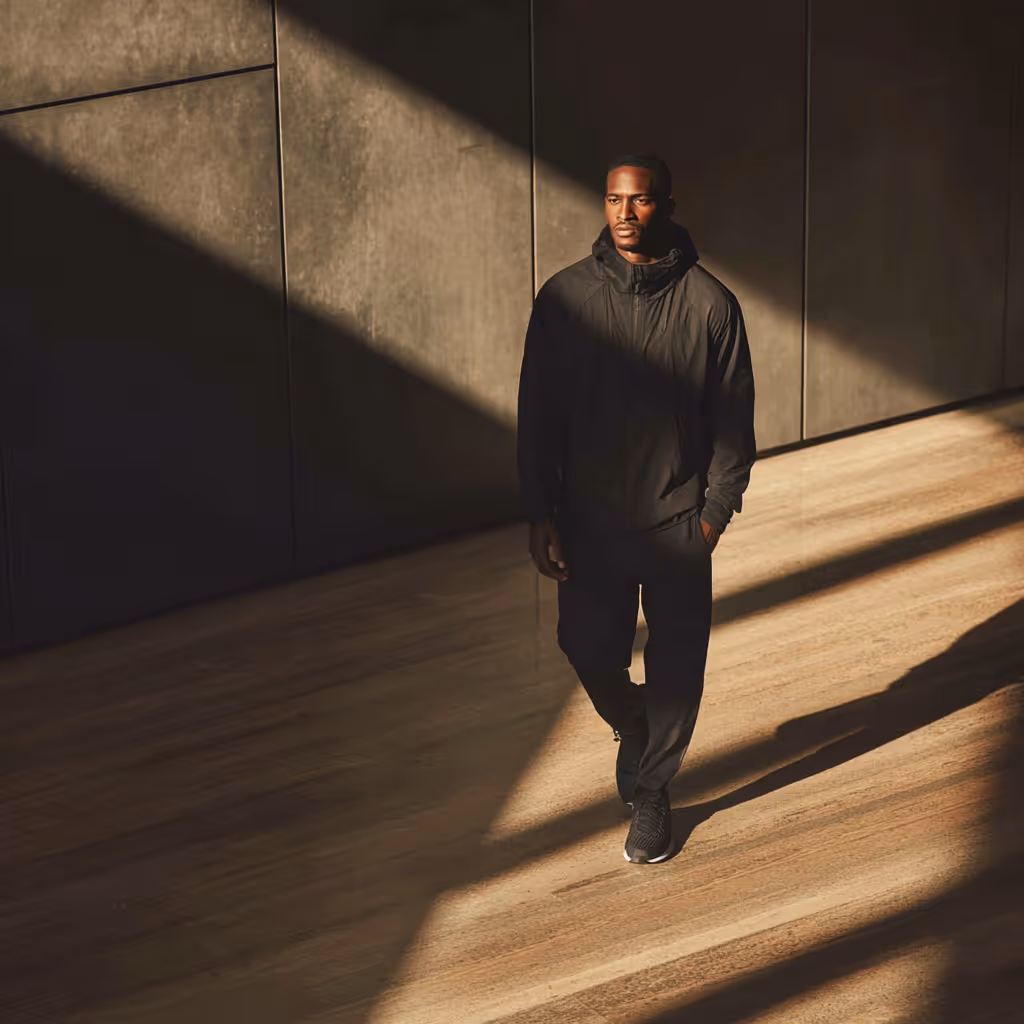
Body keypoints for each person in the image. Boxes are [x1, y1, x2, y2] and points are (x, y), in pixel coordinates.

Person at [516, 152, 756, 864]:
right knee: (586, 647)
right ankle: (636, 723)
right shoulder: (564, 300)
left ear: (667, 206)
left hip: (680, 522)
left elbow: (733, 423)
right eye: (615, 198)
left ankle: (652, 794)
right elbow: (538, 415)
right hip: (591, 520)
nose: (625, 212)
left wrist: (714, 512)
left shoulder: (712, 306)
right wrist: (541, 510)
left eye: (641, 200)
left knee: (680, 669)